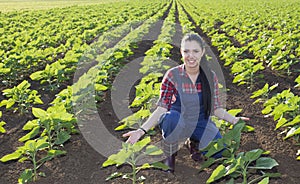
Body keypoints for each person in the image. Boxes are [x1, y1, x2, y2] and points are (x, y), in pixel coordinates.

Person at [123, 32, 249, 173]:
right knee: (171, 119)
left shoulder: (210, 76)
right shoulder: (172, 75)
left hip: (200, 120)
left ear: (202, 52)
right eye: (186, 51)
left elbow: (216, 108)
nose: (191, 56)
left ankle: (194, 142)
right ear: (181, 53)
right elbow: (161, 108)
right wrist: (141, 131)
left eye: (195, 51)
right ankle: (170, 152)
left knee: (220, 152)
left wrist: (234, 120)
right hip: (178, 118)